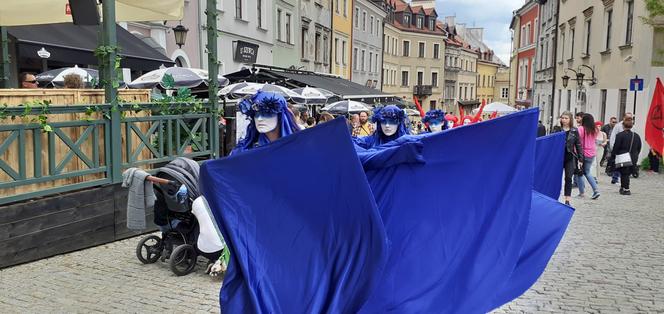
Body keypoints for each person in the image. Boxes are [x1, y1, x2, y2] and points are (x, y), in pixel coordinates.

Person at [234, 91, 301, 153]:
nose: (259, 119)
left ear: (280, 116)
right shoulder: (243, 151)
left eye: (267, 113)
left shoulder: (298, 148)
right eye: (256, 114)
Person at [555, 111, 583, 206]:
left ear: (570, 119)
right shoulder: (557, 129)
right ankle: (555, 197)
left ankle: (567, 200)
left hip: (569, 156)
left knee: (568, 178)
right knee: (556, 178)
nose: (564, 120)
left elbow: (578, 145)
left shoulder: (574, 131)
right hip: (557, 157)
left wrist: (580, 158)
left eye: (566, 118)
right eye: (562, 118)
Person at [610, 116, 642, 195]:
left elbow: (616, 147)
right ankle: (623, 187)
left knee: (624, 173)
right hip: (633, 157)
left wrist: (613, 156)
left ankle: (626, 189)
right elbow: (639, 147)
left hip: (622, 156)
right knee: (627, 173)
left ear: (623, 125)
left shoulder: (620, 135)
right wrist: (635, 155)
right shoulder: (636, 136)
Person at [576, 113, 601, 199]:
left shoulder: (581, 129)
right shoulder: (595, 129)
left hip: (582, 153)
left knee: (579, 173)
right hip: (592, 153)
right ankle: (596, 190)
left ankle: (581, 193)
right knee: (587, 172)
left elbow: (577, 140)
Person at [609, 112, 634, 184]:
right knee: (618, 164)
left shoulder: (631, 125)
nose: (630, 119)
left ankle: (619, 178)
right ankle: (615, 178)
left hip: (627, 149)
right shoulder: (618, 126)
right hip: (619, 148)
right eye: (628, 118)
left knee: (624, 166)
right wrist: (612, 147)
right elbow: (613, 136)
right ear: (624, 118)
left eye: (631, 118)